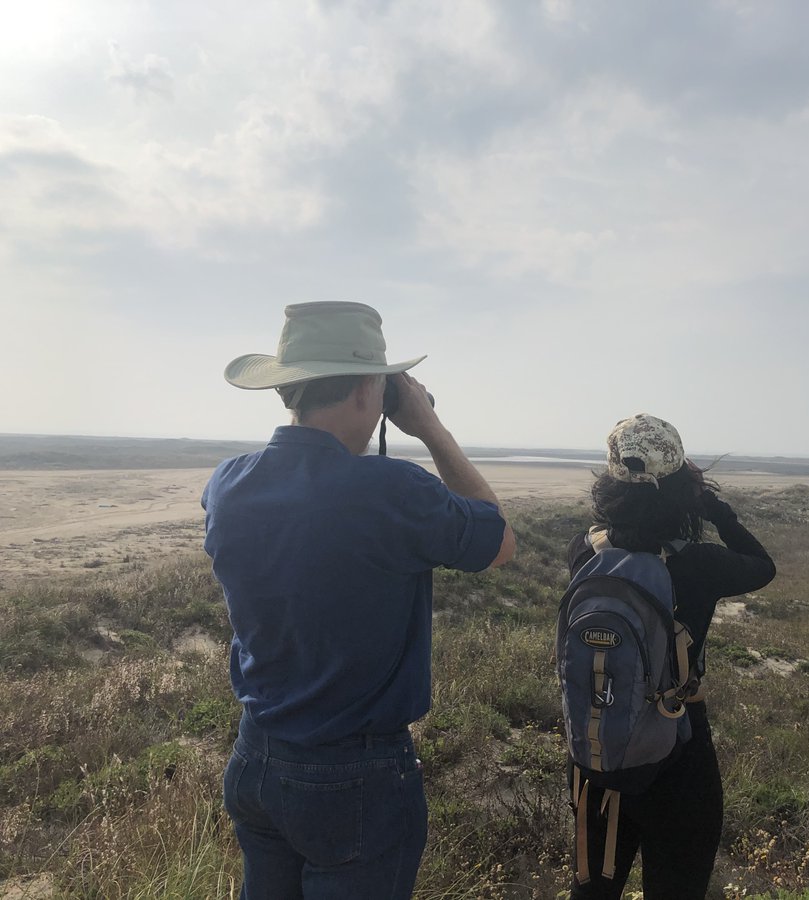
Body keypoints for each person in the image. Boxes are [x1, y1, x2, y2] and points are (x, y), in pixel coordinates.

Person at [202, 301, 516, 900]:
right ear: (371, 390)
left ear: (286, 388)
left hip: (256, 756)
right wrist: (429, 427)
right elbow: (499, 541)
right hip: (355, 777)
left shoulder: (228, 482)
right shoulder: (393, 491)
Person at [565, 413, 776, 899]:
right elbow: (763, 566)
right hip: (679, 745)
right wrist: (714, 508)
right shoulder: (698, 564)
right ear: (683, 483)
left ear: (609, 480)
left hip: (599, 741)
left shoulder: (584, 551)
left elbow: (613, 532)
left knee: (592, 890)